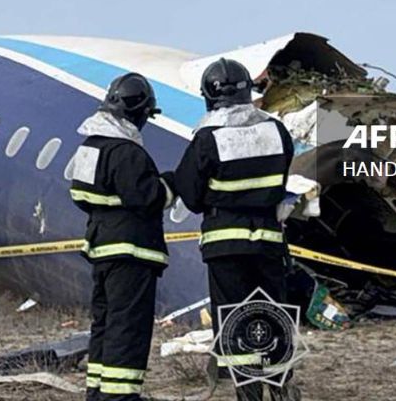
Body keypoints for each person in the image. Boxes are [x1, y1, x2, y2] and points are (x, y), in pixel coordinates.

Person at [168, 58, 294, 399]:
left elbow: (191, 196)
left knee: (236, 319)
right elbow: (280, 181)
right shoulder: (277, 132)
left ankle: (249, 393)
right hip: (268, 241)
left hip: (225, 246)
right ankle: (281, 386)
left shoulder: (207, 139)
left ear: (209, 96)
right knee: (272, 313)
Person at [70, 73, 172, 401]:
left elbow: (80, 195)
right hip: (131, 252)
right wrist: (171, 184)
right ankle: (121, 396)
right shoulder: (127, 152)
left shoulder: (89, 148)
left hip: (101, 248)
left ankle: (98, 392)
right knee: (128, 326)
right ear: (138, 113)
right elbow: (147, 198)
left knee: (106, 322)